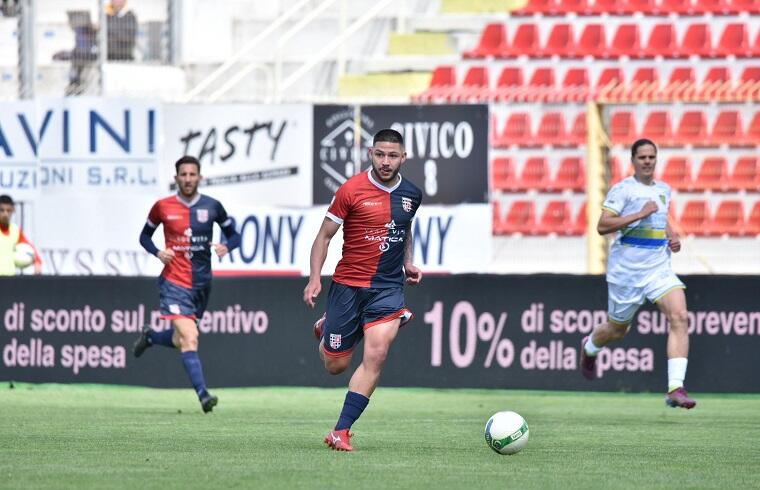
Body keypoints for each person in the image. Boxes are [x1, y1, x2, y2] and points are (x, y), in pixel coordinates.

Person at [303, 129, 423, 451]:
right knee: (335, 365)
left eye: (392, 155)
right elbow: (324, 237)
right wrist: (315, 278)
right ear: (371, 154)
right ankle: (328, 327)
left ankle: (341, 430)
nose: (386, 162)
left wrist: (408, 262)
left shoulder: (412, 194)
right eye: (380, 154)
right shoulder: (351, 190)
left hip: (387, 287)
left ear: (403, 158)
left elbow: (404, 229)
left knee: (377, 353)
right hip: (348, 286)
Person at [579, 138, 696, 409]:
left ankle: (675, 389)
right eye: (642, 157)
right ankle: (590, 347)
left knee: (679, 316)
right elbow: (602, 225)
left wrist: (671, 236)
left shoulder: (664, 189)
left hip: (658, 269)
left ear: (656, 159)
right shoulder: (623, 190)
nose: (647, 161)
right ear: (633, 160)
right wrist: (638, 214)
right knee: (617, 330)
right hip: (627, 273)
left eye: (651, 157)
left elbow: (660, 216)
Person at [133, 156, 241, 413]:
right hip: (174, 281)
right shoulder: (162, 206)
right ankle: (204, 395)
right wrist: (158, 252)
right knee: (190, 338)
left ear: (199, 177)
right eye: (183, 174)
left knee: (180, 339)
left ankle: (151, 337)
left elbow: (234, 234)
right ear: (176, 178)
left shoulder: (212, 206)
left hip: (202, 284)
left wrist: (227, 245)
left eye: (193, 174)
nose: (188, 179)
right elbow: (144, 237)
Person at [0, 194, 42, 276]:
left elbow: (29, 247)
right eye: (2, 210)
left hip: (9, 280)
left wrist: (37, 261)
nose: (5, 214)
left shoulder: (14, 230)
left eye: (8, 210)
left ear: (13, 210)